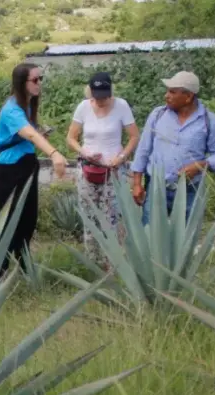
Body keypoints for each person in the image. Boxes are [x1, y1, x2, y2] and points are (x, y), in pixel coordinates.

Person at [0, 63, 67, 275]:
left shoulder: (28, 105)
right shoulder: (12, 109)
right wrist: (54, 154)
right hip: (9, 170)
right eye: (35, 80)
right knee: (8, 222)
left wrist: (40, 134)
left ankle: (22, 267)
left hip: (26, 164)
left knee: (28, 220)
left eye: (40, 78)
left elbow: (31, 134)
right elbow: (30, 135)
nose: (39, 83)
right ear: (21, 83)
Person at [131, 71, 215, 225]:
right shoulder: (158, 115)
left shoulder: (209, 121)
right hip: (157, 188)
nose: (166, 96)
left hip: (190, 191)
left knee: (185, 240)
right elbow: (143, 150)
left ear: (188, 97)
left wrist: (200, 165)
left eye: (172, 92)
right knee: (150, 237)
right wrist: (136, 184)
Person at [66, 72, 140, 269]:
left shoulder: (122, 106)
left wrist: (121, 157)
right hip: (88, 169)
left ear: (110, 92)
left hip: (113, 171)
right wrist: (84, 152)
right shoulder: (83, 107)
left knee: (111, 217)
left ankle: (113, 263)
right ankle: (93, 264)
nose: (100, 100)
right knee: (89, 216)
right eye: (96, 96)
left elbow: (133, 136)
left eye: (104, 96)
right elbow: (71, 137)